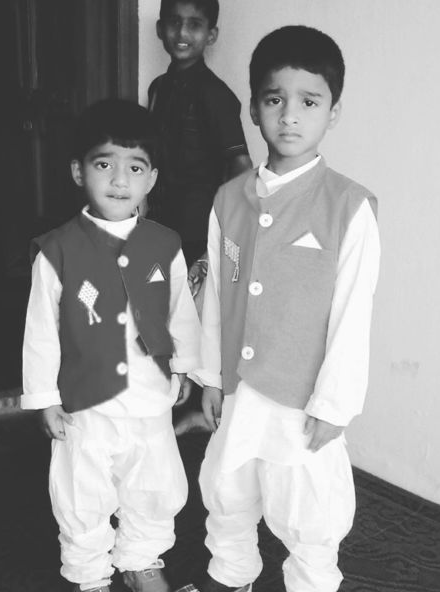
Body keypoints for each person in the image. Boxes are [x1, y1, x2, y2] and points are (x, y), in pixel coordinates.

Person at [167, 26, 381, 592]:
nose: (290, 115)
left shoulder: (349, 206)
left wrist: (335, 403)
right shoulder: (228, 199)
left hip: (302, 395)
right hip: (238, 387)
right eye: (274, 99)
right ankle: (231, 572)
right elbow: (215, 297)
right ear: (254, 107)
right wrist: (210, 377)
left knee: (307, 506)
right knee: (226, 484)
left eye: (309, 101)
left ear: (332, 111)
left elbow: (353, 313)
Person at [20, 99, 201, 592]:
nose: (120, 180)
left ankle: (142, 557)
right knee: (84, 488)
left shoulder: (165, 244)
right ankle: (89, 574)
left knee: (153, 481)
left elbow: (181, 312)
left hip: (149, 394)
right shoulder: (56, 251)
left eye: (135, 167)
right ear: (79, 171)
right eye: (104, 164)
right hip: (86, 399)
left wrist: (184, 367)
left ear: (152, 179)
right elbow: (40, 332)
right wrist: (44, 398)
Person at [150, 0, 252, 433]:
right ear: (160, 29)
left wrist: (229, 232)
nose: (182, 33)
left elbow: (241, 168)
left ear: (211, 35)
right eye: (174, 23)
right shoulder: (158, 88)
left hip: (198, 228)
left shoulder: (216, 95)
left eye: (194, 25)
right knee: (160, 313)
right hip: (159, 224)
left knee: (195, 317)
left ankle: (193, 410)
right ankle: (159, 405)